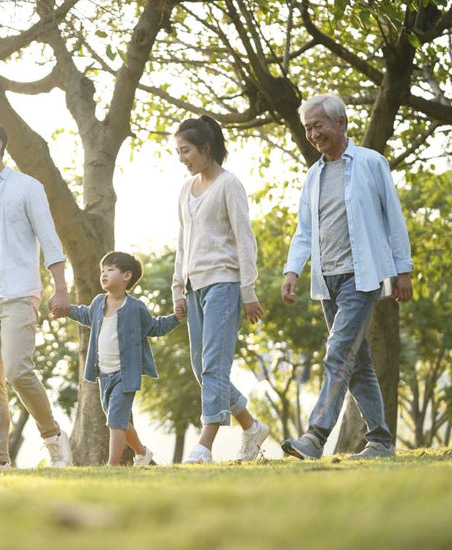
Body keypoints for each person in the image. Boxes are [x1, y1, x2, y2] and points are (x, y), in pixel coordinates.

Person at [280, 94, 413, 461]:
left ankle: (315, 436)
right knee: (358, 364)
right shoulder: (314, 174)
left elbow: (394, 219)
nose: (312, 134)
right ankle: (381, 442)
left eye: (318, 125)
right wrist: (293, 270)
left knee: (338, 354)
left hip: (362, 276)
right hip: (327, 281)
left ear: (341, 124)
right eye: (307, 128)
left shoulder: (371, 163)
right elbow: (304, 230)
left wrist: (404, 270)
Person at [0, 117, 72, 472]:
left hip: (19, 293)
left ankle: (53, 438)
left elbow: (49, 238)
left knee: (19, 371)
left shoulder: (27, 187)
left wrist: (60, 286)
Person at [171, 115, 271, 464]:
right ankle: (251, 426)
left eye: (186, 151)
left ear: (206, 148)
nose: (182, 158)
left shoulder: (229, 185)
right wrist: (177, 289)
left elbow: (245, 239)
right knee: (202, 369)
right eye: (178, 152)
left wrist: (248, 290)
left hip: (225, 284)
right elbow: (183, 242)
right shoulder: (186, 189)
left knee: (214, 366)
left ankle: (204, 445)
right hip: (194, 285)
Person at [58, 251, 180, 467]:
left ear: (126, 276)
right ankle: (142, 453)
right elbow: (84, 314)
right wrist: (66, 309)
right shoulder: (98, 303)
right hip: (103, 374)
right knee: (119, 420)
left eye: (110, 270)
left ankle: (111, 465)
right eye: (102, 270)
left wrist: (176, 318)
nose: (104, 274)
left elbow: (154, 327)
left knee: (115, 419)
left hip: (125, 374)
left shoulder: (135, 308)